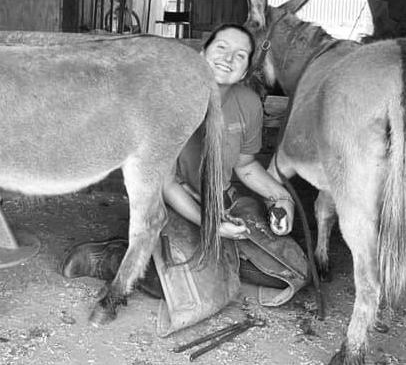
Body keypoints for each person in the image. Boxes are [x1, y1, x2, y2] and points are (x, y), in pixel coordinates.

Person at [61, 24, 309, 322]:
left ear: (245, 70)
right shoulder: (168, 101)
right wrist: (211, 225)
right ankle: (115, 257)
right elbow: (166, 184)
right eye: (221, 48)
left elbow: (245, 166)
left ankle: (211, 267)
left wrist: (281, 197)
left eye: (240, 55)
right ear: (202, 54)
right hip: (174, 203)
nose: (228, 58)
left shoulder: (249, 103)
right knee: (177, 285)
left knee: (289, 272)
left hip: (222, 202)